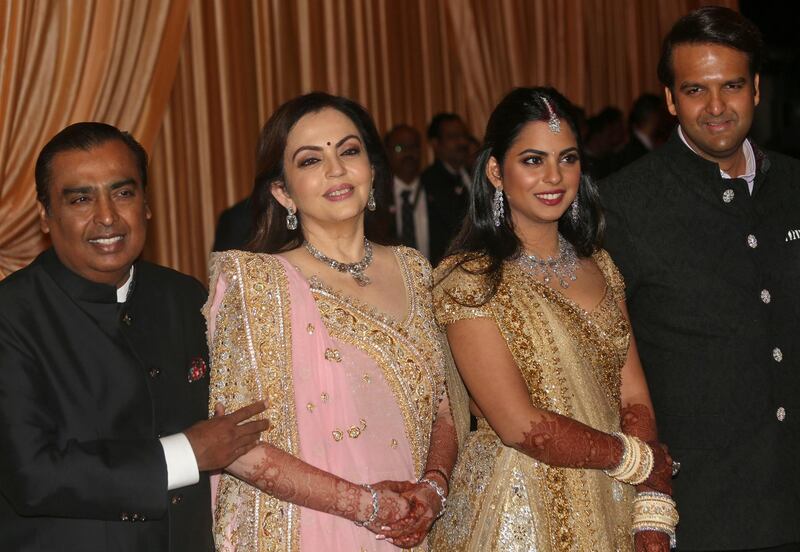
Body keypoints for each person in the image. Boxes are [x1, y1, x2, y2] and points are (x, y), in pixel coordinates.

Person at [206, 92, 469, 551]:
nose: (336, 169)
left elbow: (446, 405)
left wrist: (435, 486)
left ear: (371, 169)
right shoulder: (258, 284)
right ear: (283, 191)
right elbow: (236, 446)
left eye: (348, 151)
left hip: (416, 527)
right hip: (314, 530)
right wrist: (365, 505)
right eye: (310, 160)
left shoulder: (415, 270)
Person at [0, 122, 269, 551]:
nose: (106, 216)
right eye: (81, 199)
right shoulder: (12, 315)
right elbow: (31, 476)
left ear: (146, 205)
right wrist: (186, 454)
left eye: (123, 193)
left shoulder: (185, 297)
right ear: (45, 217)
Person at [430, 87, 676, 551]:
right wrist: (638, 461)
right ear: (495, 171)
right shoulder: (470, 281)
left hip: (613, 499)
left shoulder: (601, 267)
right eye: (532, 160)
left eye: (567, 158)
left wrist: (650, 505)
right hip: (520, 508)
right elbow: (519, 425)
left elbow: (635, 394)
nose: (554, 177)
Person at [602, 7, 800, 551]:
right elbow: (608, 363)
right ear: (670, 100)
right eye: (695, 90)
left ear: (757, 88)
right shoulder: (625, 205)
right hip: (705, 513)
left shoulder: (794, 184)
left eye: (732, 85)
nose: (716, 107)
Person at [419, 113, 471, 264]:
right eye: (453, 137)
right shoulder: (426, 183)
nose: (462, 142)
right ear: (435, 143)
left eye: (464, 136)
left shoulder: (474, 175)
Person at [384, 124, 428, 257]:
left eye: (413, 147)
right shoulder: (377, 196)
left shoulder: (437, 191)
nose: (408, 153)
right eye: (399, 148)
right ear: (387, 152)